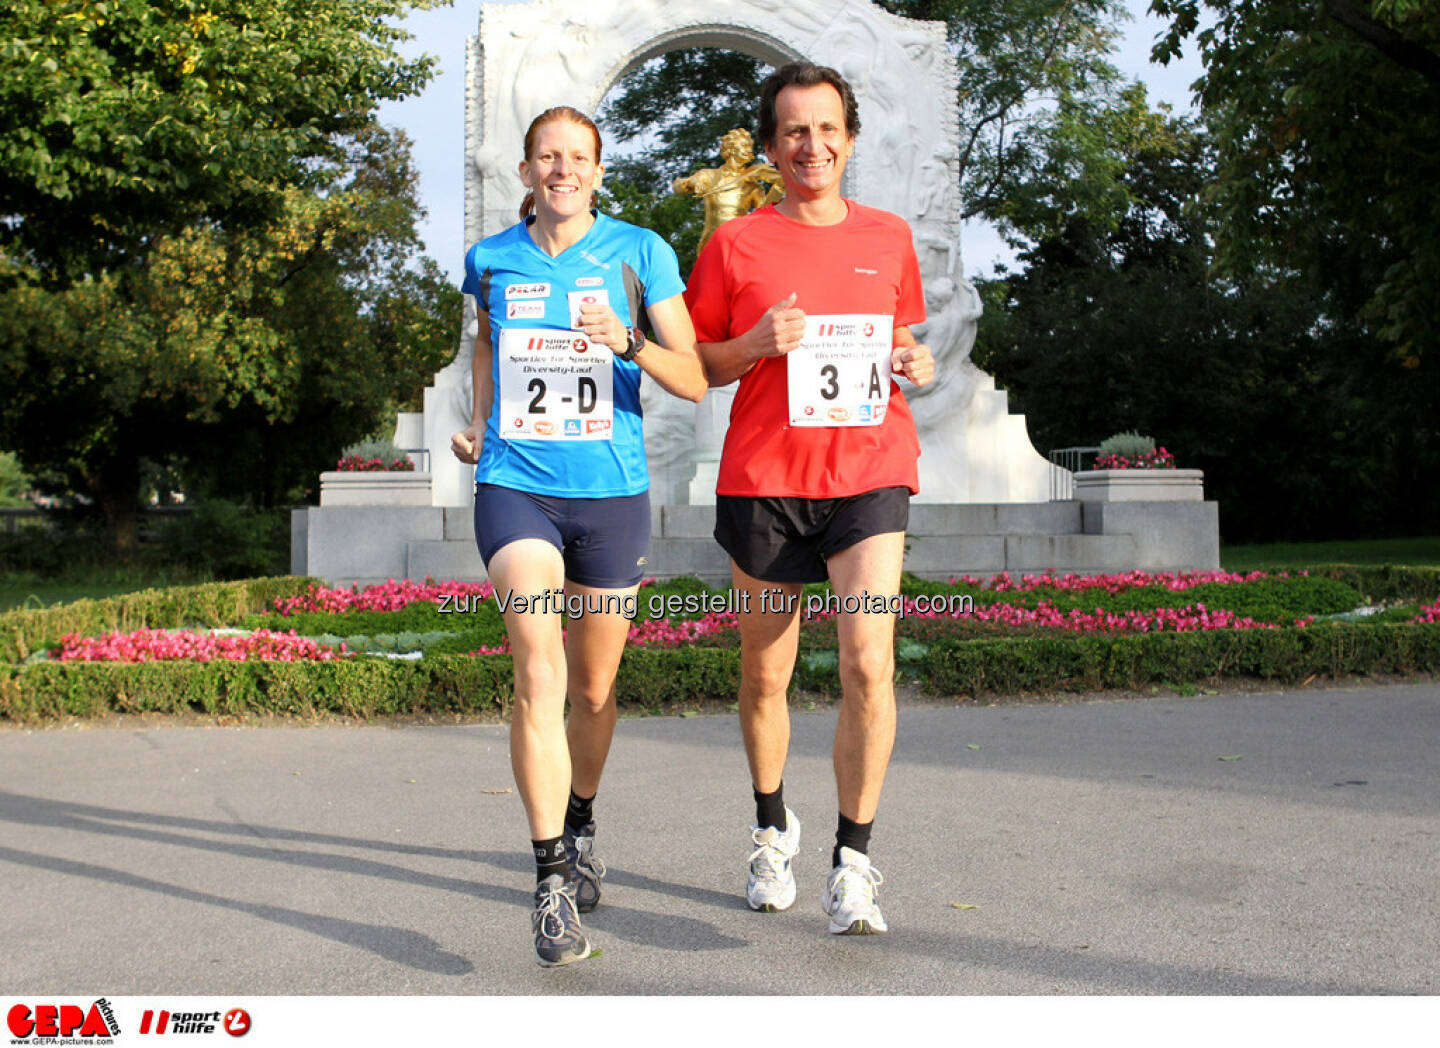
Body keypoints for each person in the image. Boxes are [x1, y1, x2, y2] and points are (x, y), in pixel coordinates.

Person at [451, 106, 706, 966]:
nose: (562, 169)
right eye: (547, 156)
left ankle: (583, 818)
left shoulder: (640, 252)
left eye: (578, 157)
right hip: (516, 487)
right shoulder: (489, 259)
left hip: (611, 497)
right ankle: (551, 880)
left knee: (593, 690)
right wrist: (479, 425)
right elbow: (487, 353)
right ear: (525, 171)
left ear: (599, 171)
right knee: (537, 665)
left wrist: (627, 340)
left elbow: (696, 377)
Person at [685, 63, 935, 935]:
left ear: (850, 139)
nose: (812, 145)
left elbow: (903, 341)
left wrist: (920, 362)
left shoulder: (889, 236)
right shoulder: (735, 245)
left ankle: (854, 862)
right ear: (771, 146)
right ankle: (769, 827)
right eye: (794, 130)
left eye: (827, 128)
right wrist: (752, 342)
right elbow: (699, 365)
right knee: (766, 671)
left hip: (869, 472)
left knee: (870, 662)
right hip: (765, 480)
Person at [672, 128, 784, 252]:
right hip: (710, 244)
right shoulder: (709, 176)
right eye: (744, 146)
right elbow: (677, 186)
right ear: (731, 147)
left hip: (737, 245)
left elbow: (763, 215)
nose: (748, 150)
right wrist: (691, 182)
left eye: (749, 146)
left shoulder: (752, 185)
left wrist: (779, 186)